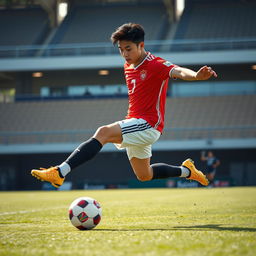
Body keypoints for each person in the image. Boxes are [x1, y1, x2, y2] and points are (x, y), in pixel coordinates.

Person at [31, 23, 217, 188]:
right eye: (121, 49)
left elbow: (179, 71)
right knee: (144, 175)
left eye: (128, 49)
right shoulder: (128, 65)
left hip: (149, 124)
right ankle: (187, 171)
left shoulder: (156, 64)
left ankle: (60, 172)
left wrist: (196, 76)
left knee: (103, 132)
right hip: (135, 123)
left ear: (141, 45)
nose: (124, 54)